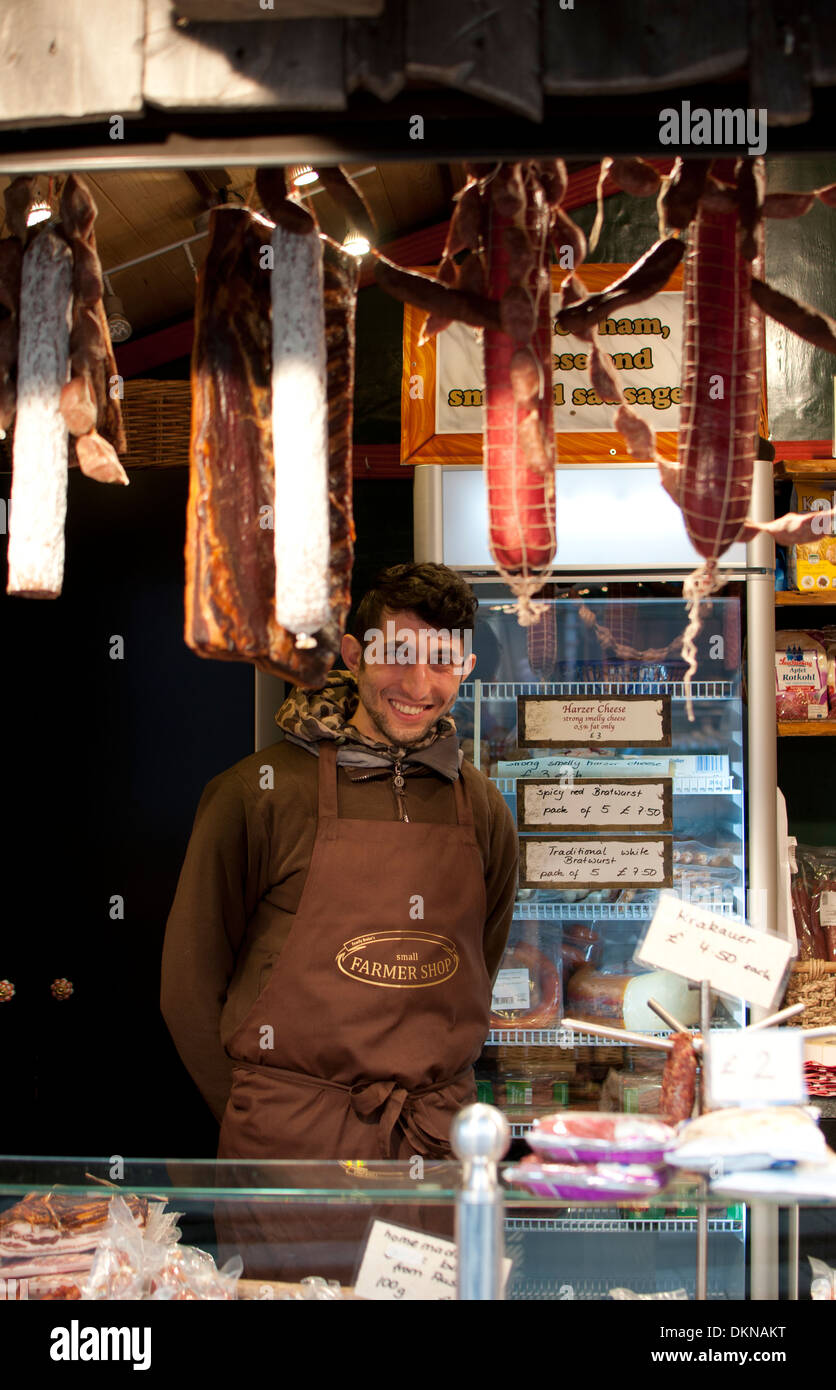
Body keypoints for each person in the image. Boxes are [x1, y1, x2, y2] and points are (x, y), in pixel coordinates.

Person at [161, 563, 518, 1274]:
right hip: (290, 1153)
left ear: (468, 668)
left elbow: (481, 955)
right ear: (354, 656)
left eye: (443, 662)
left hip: (431, 1150)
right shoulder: (258, 794)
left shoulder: (479, 808)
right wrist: (261, 1115)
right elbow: (188, 986)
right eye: (399, 656)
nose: (420, 687)